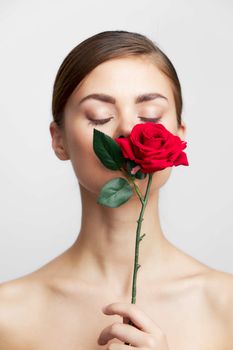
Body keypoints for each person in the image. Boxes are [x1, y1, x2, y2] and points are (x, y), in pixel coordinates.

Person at [0, 30, 232, 350]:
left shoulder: (227, 307)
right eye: (100, 116)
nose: (127, 129)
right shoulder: (7, 316)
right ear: (59, 139)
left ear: (179, 133)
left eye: (150, 115)